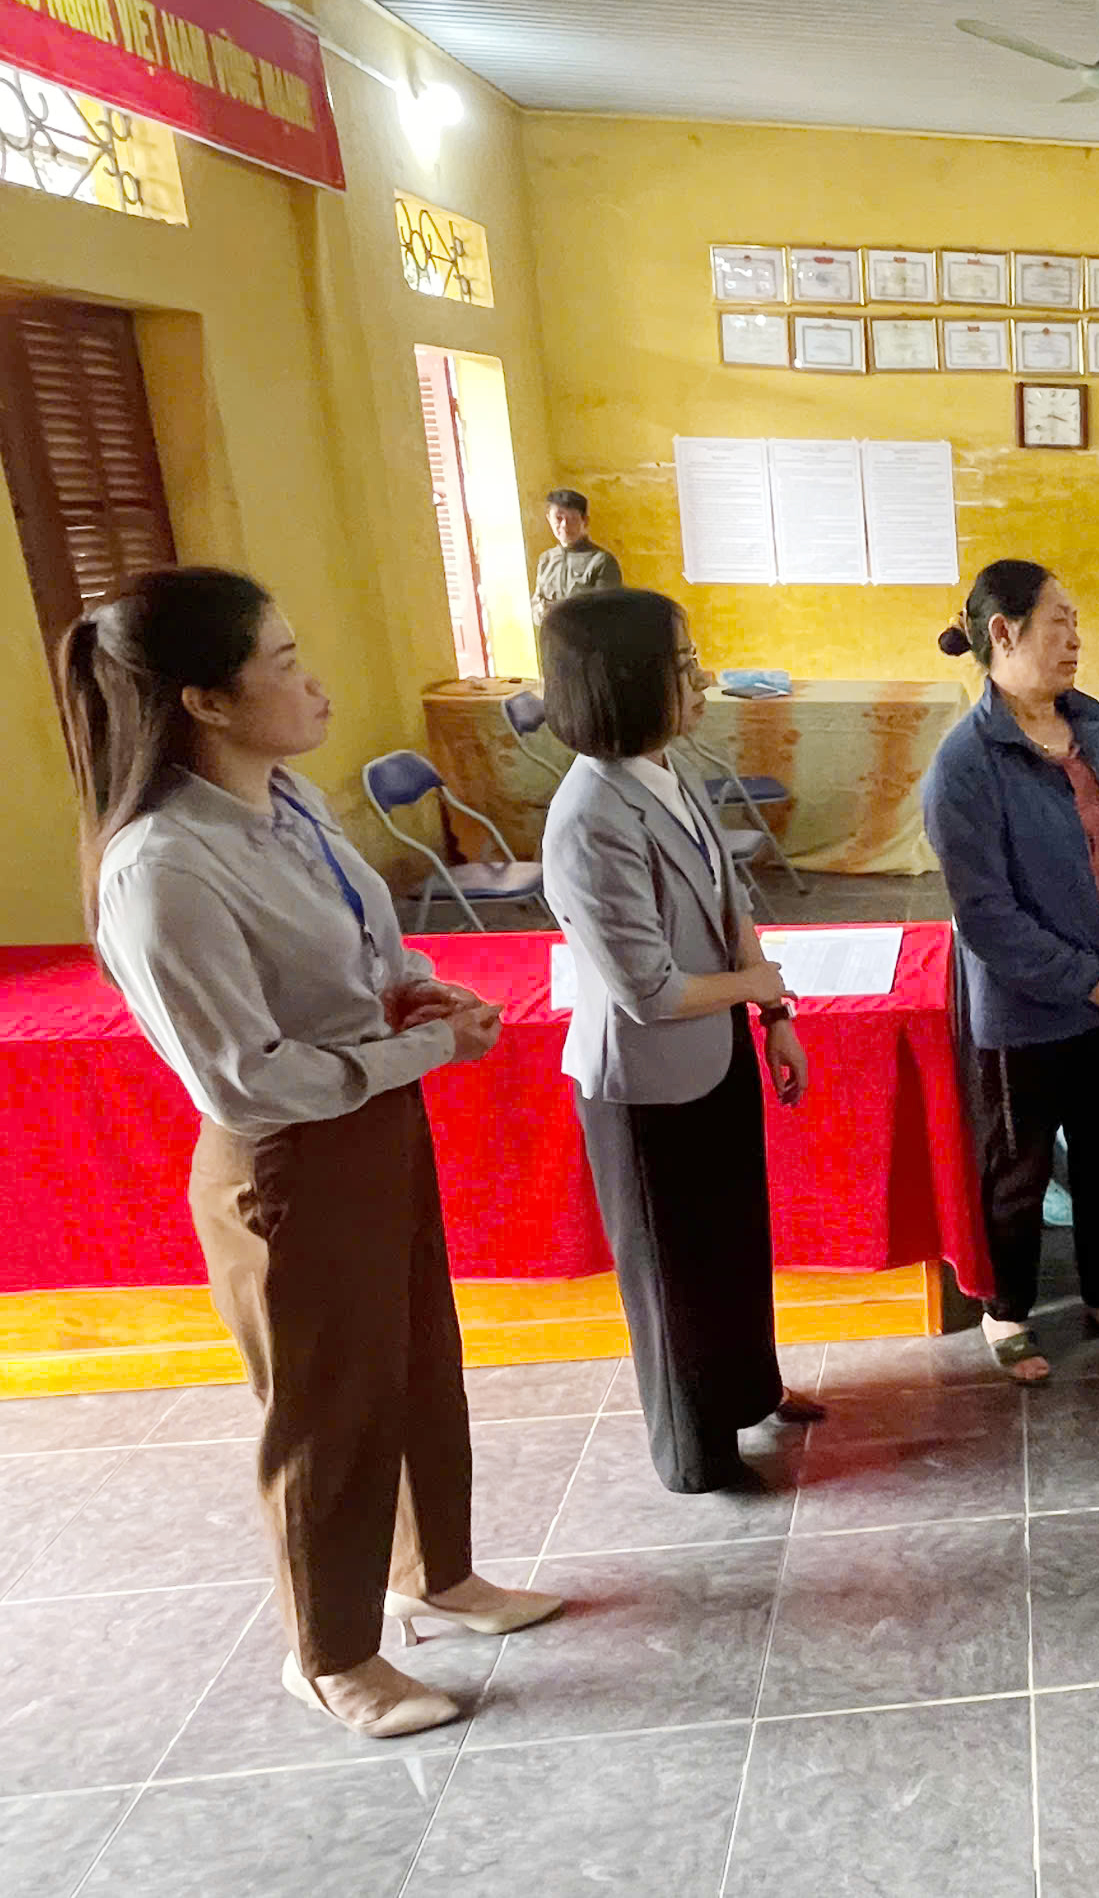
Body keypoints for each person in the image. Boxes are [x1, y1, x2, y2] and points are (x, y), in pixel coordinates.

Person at [63, 566, 559, 1740]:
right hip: (288, 1160)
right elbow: (241, 1075)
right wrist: (424, 1051)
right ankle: (330, 1655)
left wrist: (418, 994)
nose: (316, 685)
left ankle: (436, 1574)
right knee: (326, 1410)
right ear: (206, 702)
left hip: (374, 1124)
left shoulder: (288, 803)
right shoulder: (163, 865)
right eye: (283, 665)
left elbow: (359, 954)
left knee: (416, 1360)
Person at [539, 588, 823, 1494]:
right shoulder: (589, 817)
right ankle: (696, 1454)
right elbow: (649, 992)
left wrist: (774, 1018)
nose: (699, 679)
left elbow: (731, 906)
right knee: (671, 1279)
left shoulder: (665, 771)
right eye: (682, 665)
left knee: (733, 1242)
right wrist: (760, 989)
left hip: (716, 1048)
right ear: (626, 682)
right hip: (644, 1083)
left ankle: (750, 1389)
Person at [924, 561, 1099, 1384]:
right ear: (1004, 634)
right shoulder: (967, 764)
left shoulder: (1094, 730)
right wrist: (1092, 981)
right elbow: (987, 917)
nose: (1075, 639)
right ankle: (1007, 1309)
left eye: (1076, 622)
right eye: (1058, 622)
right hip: (1030, 1012)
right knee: (1019, 1169)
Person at [533, 487, 621, 618]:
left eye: (572, 519)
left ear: (585, 521)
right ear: (549, 519)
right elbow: (536, 606)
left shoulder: (601, 561)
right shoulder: (546, 560)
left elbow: (606, 612)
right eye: (558, 518)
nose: (564, 525)